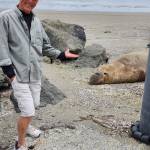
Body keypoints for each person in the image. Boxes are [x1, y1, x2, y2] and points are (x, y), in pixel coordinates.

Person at [0, 0, 78, 149]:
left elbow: (45, 46)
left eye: (34, 0)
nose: (31, 2)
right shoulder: (5, 17)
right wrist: (10, 73)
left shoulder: (36, 22)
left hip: (35, 74)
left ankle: (27, 127)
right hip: (18, 75)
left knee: (34, 106)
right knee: (28, 111)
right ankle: (20, 143)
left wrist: (62, 55)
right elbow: (1, 45)